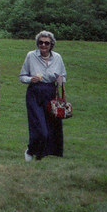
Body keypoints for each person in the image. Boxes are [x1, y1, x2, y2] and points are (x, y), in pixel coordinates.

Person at [20, 30, 67, 161]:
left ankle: (40, 155)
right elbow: (22, 76)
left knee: (50, 128)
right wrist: (31, 79)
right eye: (40, 43)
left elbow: (63, 76)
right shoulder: (31, 56)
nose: (43, 45)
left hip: (51, 93)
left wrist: (60, 80)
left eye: (46, 43)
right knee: (39, 127)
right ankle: (30, 150)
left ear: (51, 44)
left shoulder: (57, 57)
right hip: (35, 93)